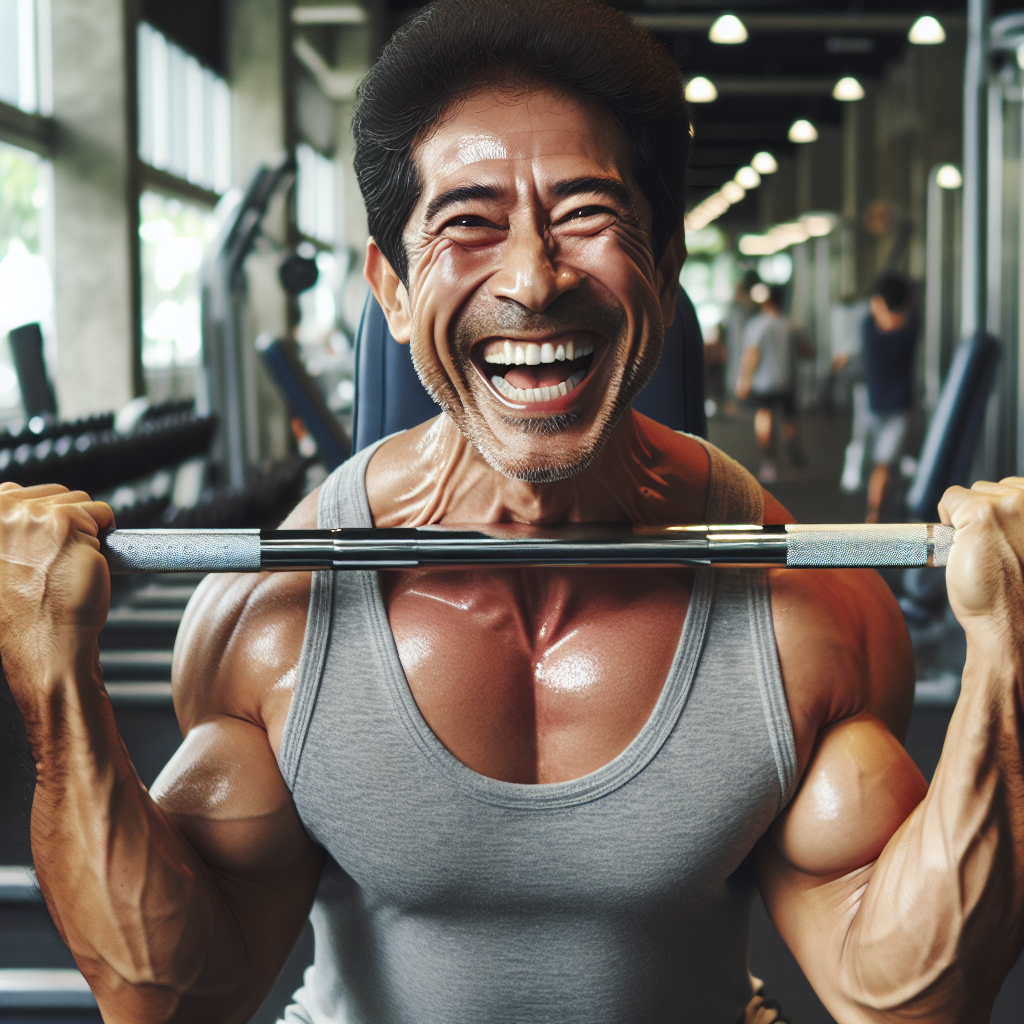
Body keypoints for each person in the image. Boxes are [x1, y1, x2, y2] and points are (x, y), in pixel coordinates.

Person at [1, 3, 1023, 1022]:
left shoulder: (811, 610)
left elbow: (905, 1000)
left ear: (663, 267)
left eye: (587, 213)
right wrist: (58, 688)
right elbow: (174, 998)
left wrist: (1004, 669)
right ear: (393, 289)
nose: (532, 281)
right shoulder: (271, 618)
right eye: (468, 222)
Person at [855, 272, 918, 522]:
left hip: (875, 407)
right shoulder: (909, 331)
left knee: (882, 465)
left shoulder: (869, 329)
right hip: (899, 409)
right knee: (886, 464)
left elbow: (875, 313)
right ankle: (881, 512)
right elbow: (911, 310)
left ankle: (875, 515)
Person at [734, 284, 804, 484]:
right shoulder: (792, 324)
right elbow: (807, 350)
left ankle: (769, 462)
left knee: (764, 417)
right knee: (789, 417)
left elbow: (752, 354)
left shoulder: (757, 325)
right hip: (787, 379)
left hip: (763, 381)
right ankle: (790, 453)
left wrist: (744, 379)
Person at [722, 269, 759, 416]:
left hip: (739, 347)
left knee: (736, 369)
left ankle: (735, 401)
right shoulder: (746, 307)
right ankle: (736, 400)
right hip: (741, 346)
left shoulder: (738, 308)